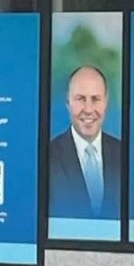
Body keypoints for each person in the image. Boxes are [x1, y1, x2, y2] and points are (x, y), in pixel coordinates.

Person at [49, 65, 121, 219]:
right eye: (81, 99)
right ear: (68, 103)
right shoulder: (47, 156)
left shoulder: (125, 155)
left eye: (95, 99)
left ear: (106, 103)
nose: (88, 109)